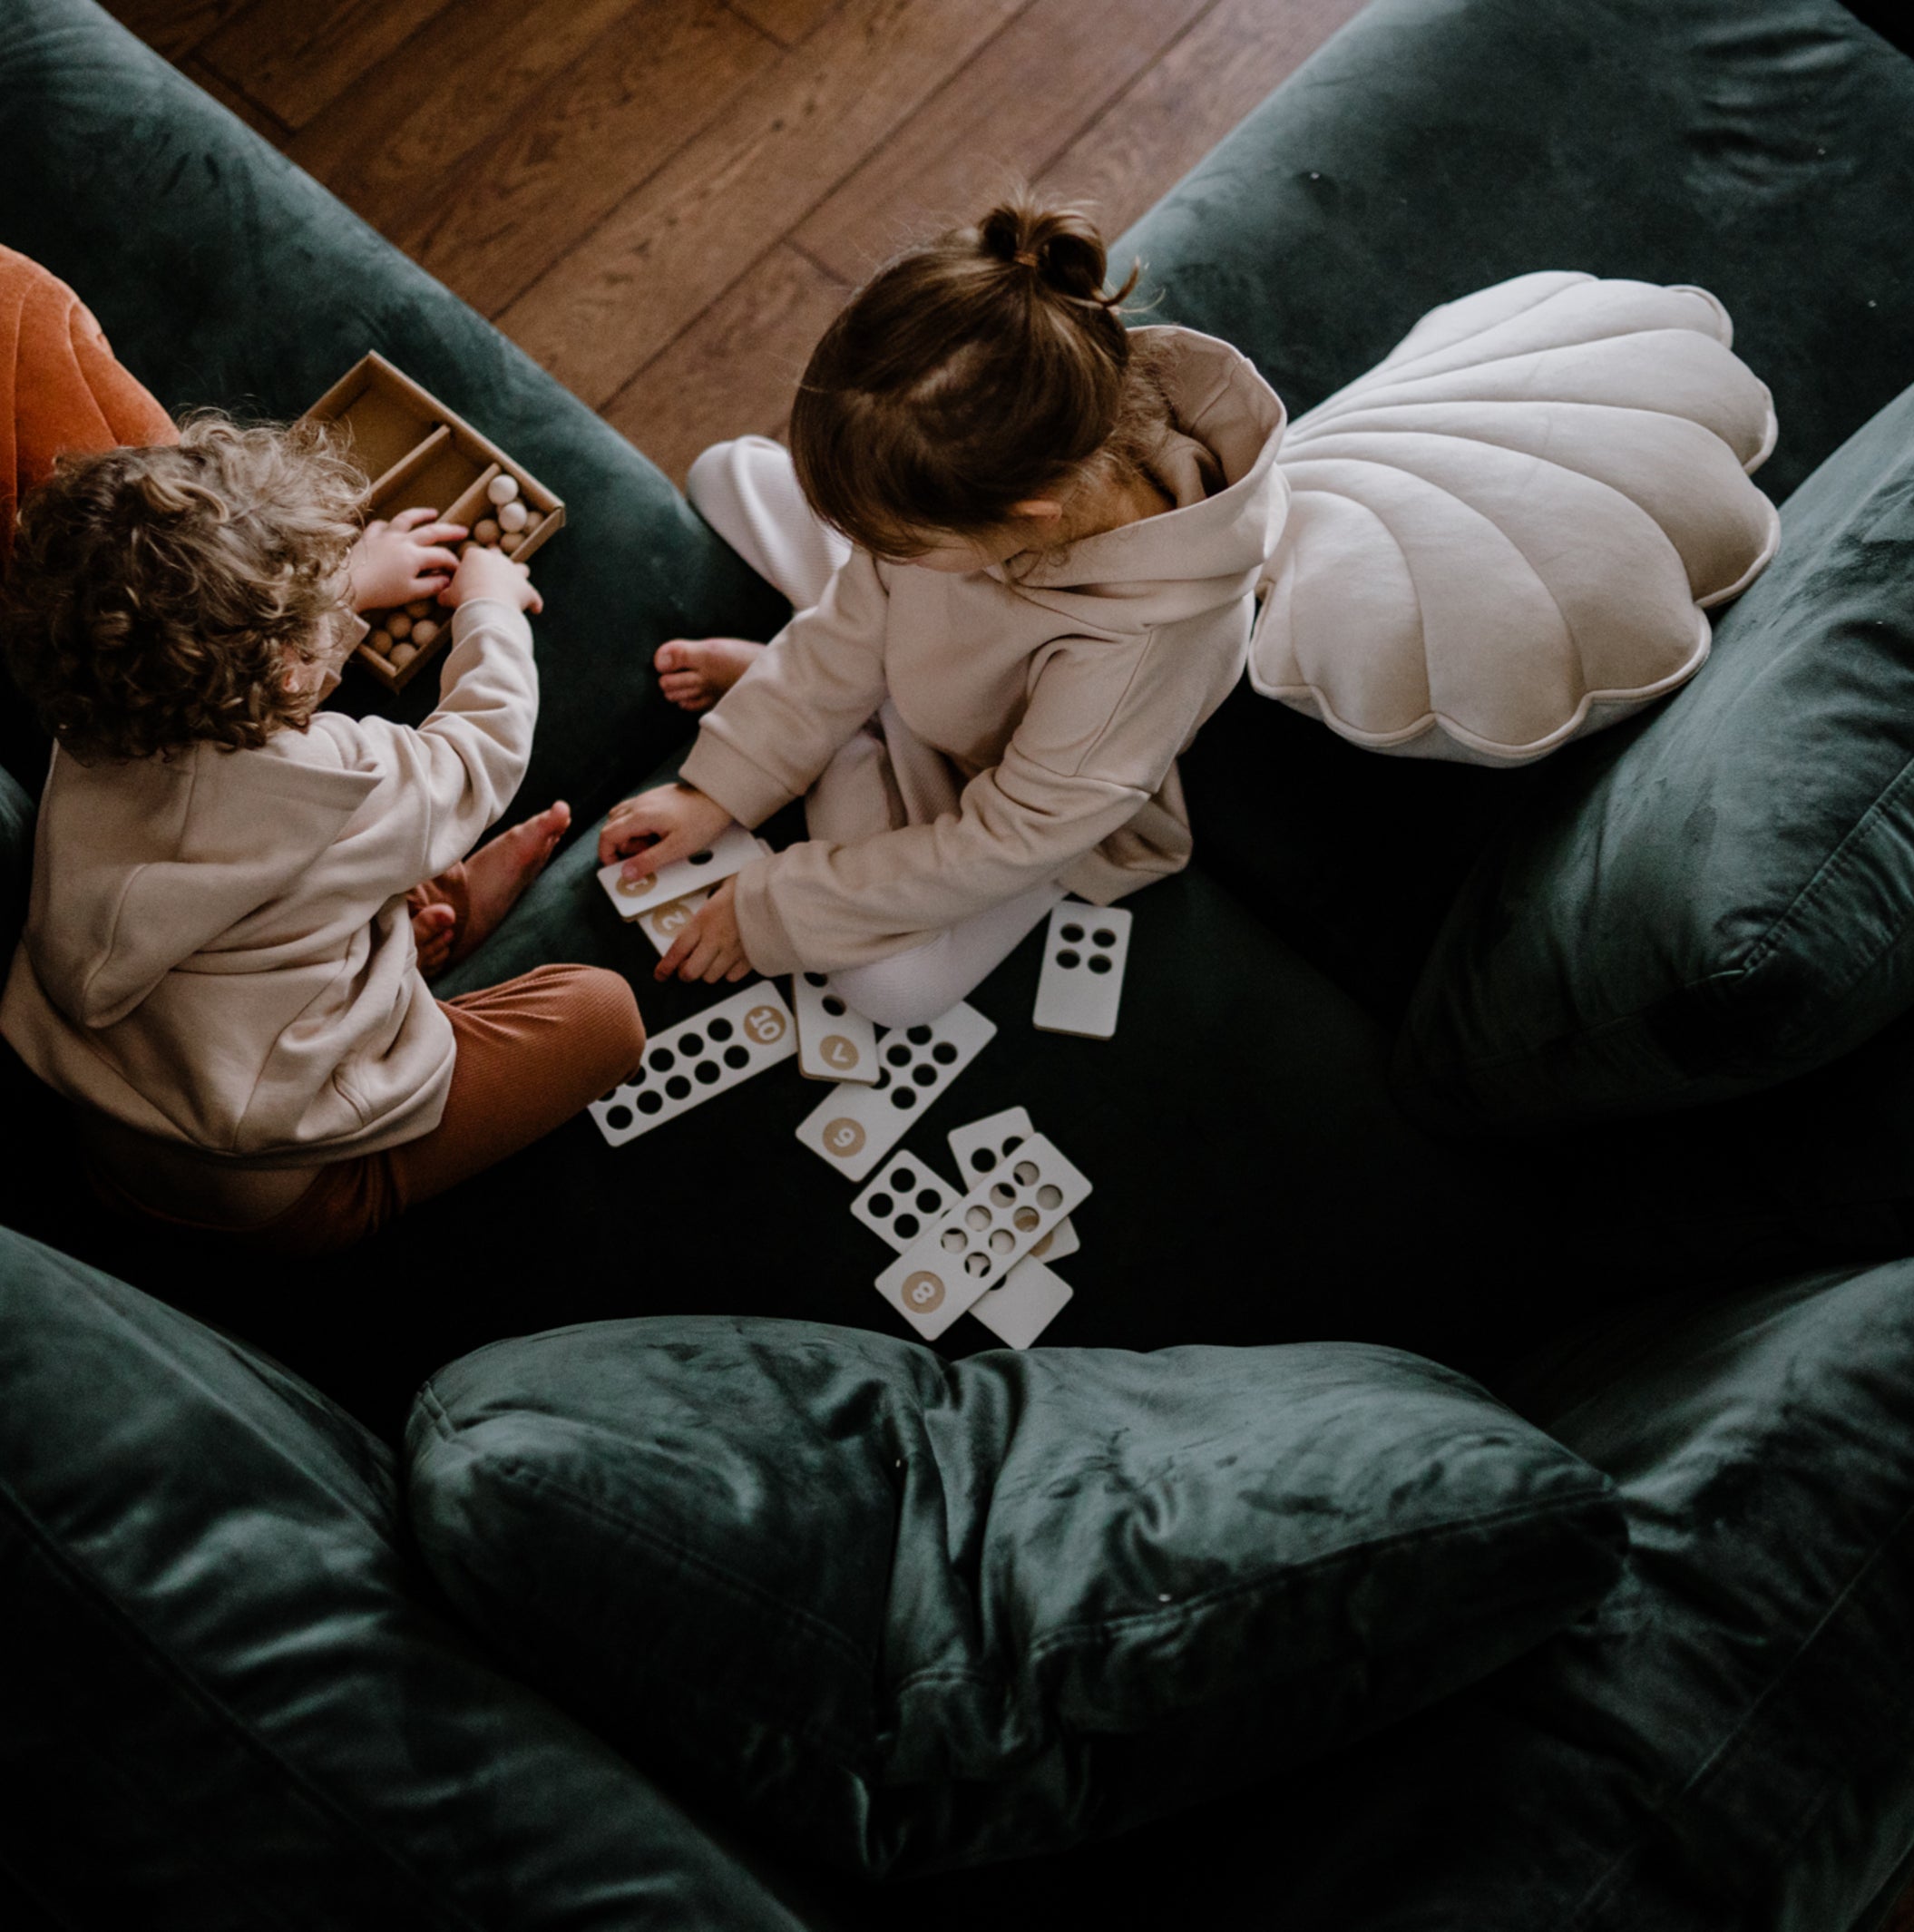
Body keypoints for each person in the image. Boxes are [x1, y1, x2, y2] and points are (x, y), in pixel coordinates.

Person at [599, 194, 1288, 1027]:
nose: (878, 553)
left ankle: (851, 731)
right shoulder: (1015, 443)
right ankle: (840, 709)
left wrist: (778, 908)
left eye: (901, 541)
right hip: (930, 650)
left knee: (891, 993)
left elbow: (996, 845)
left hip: (995, 792)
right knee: (725, 473)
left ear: (1029, 512)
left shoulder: (1141, 654)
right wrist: (722, 785)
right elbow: (865, 600)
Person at [0, 413, 643, 1253]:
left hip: (119, 1136)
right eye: (312, 618)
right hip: (285, 1191)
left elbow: (201, 656)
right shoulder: (333, 781)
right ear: (294, 665)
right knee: (607, 1017)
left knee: (318, 881)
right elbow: (482, 752)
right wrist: (490, 610)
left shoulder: (92, 728)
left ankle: (409, 921)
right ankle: (424, 936)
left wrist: (344, 587)